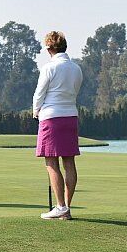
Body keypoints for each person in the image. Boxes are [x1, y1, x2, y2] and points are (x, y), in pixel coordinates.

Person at [32, 31, 83, 220]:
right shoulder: (76, 68)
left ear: (50, 48)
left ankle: (60, 206)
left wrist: (36, 111)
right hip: (70, 116)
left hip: (51, 117)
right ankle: (66, 208)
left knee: (51, 161)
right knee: (69, 162)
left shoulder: (49, 67)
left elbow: (39, 93)